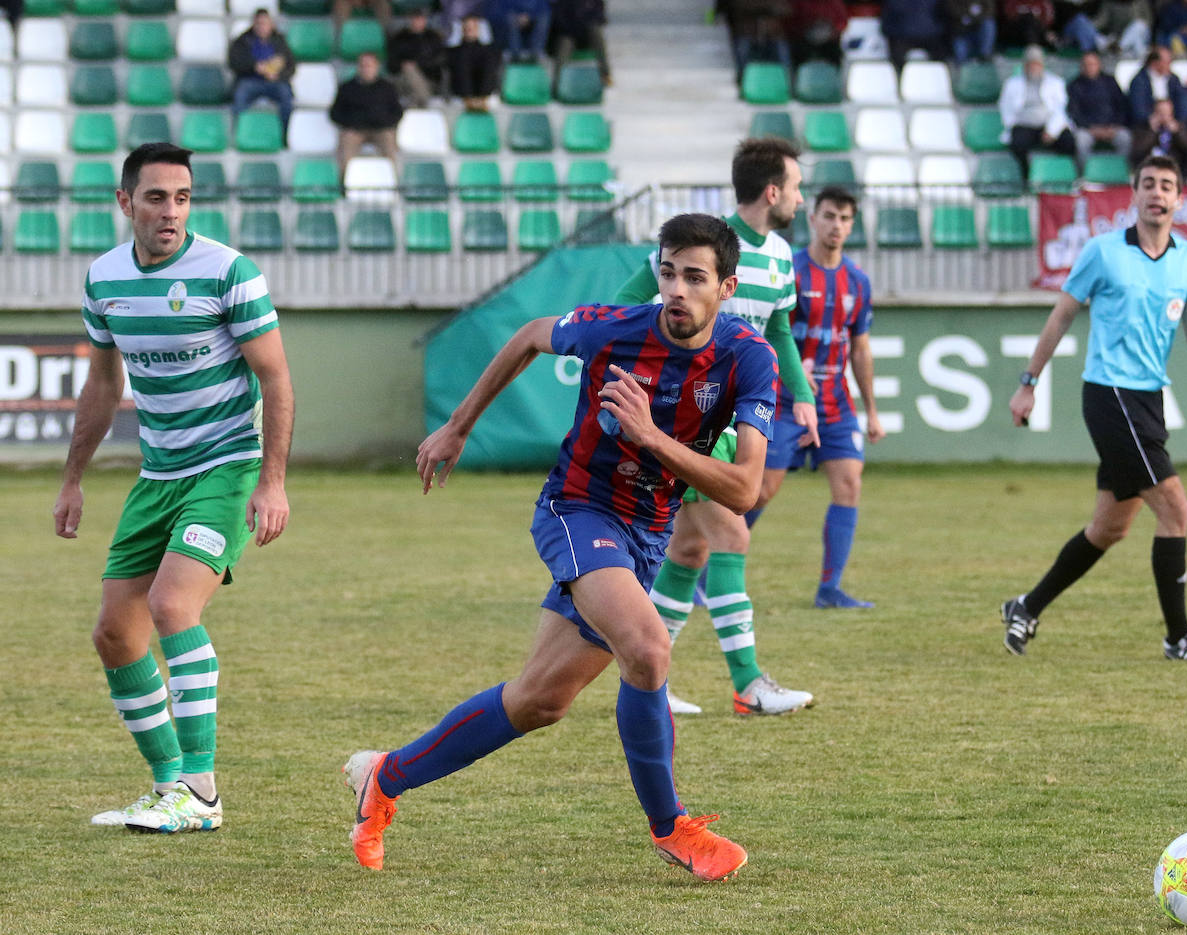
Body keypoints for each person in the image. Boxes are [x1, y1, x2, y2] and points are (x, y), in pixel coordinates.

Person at [344, 213, 777, 882]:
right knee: (648, 645)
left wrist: (650, 435)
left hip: (647, 530)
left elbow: (745, 489)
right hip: (577, 508)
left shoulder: (749, 357)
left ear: (727, 287)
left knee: (540, 700)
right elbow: (527, 335)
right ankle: (672, 826)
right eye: (668, 273)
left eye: (696, 277)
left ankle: (385, 776)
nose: (677, 290)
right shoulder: (614, 328)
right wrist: (458, 426)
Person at [53, 142, 294, 833]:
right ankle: (168, 790)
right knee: (113, 632)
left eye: (183, 197)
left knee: (170, 604)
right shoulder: (103, 279)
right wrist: (73, 478)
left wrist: (271, 482)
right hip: (157, 475)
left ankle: (203, 790)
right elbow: (104, 382)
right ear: (125, 202)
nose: (172, 212)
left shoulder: (228, 273)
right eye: (157, 197)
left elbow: (276, 377)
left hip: (227, 465)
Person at [1000, 155, 1187, 662]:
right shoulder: (1102, 252)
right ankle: (1179, 636)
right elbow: (1060, 318)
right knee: (1176, 508)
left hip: (1148, 399)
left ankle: (1025, 606)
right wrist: (1028, 383)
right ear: (1134, 195)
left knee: (1110, 528)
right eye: (1148, 184)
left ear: (1180, 199)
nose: (1157, 193)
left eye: (1167, 185)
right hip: (1109, 394)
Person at [615, 138, 819, 718]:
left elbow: (778, 332)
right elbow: (624, 306)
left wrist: (799, 396)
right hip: (684, 420)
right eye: (797, 188)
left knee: (690, 547)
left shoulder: (780, 256)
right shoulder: (697, 247)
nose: (800, 200)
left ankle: (645, 677)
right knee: (732, 537)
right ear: (773, 191)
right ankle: (749, 685)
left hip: (728, 422)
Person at [751, 186, 884, 609]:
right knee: (759, 490)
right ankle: (698, 567)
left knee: (849, 484)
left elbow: (860, 349)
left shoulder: (858, 282)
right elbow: (770, 335)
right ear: (813, 218)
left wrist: (873, 411)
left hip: (836, 406)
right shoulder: (789, 271)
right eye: (829, 216)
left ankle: (830, 588)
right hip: (786, 402)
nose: (837, 226)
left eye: (845, 219)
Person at [998, 45, 1075, 179]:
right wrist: (1011, 124)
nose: (1033, 67)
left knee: (1069, 142)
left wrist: (1052, 131)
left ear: (1042, 65)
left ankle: (1061, 176)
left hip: (1049, 124)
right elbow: (1005, 107)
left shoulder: (1055, 82)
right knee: (1017, 144)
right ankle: (1026, 175)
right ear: (1024, 66)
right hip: (1024, 124)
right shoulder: (1012, 83)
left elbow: (1061, 109)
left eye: (1036, 64)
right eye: (1030, 64)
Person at [328, 51, 404, 174]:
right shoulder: (347, 88)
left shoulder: (387, 88)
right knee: (346, 146)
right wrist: (351, 122)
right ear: (358, 67)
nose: (366, 69)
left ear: (376, 67)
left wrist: (384, 121)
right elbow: (335, 113)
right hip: (355, 130)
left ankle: (392, 182)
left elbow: (397, 112)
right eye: (363, 65)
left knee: (389, 144)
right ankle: (346, 183)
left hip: (381, 129)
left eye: (369, 65)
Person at [228, 9, 296, 132]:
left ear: (271, 24)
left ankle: (285, 133)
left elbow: (291, 66)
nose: (261, 27)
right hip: (250, 80)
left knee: (286, 95)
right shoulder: (242, 41)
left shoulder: (280, 41)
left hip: (274, 82)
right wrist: (254, 66)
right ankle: (239, 132)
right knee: (240, 95)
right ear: (253, 24)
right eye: (259, 23)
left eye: (265, 23)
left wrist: (278, 75)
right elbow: (234, 63)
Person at [1067, 49, 1132, 166]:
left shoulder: (1110, 82)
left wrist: (1115, 125)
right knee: (1081, 141)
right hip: (1088, 129)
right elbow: (1074, 112)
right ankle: (1086, 174)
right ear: (1081, 66)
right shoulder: (1074, 85)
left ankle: (1119, 171)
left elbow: (1121, 106)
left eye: (1092, 64)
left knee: (1125, 138)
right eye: (1086, 64)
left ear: (1099, 65)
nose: (1089, 67)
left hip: (1112, 127)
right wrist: (1092, 128)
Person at [386, 10, 447, 108]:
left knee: (412, 78)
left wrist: (418, 64)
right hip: (403, 80)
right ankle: (424, 101)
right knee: (409, 70)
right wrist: (404, 65)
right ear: (409, 19)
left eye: (420, 18)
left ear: (425, 20)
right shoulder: (399, 38)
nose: (417, 21)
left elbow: (440, 60)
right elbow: (391, 64)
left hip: (429, 80)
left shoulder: (433, 37)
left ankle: (414, 105)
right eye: (415, 18)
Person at [447, 13, 502, 110]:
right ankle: (468, 98)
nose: (469, 30)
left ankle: (483, 98)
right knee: (461, 60)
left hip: (483, 91)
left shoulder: (488, 50)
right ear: (462, 29)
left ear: (478, 29)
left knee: (489, 61)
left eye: (472, 27)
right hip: (461, 93)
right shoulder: (454, 51)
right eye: (467, 27)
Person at [551, 0, 612, 86]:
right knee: (564, 44)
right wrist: (571, 29)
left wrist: (586, 24)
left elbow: (599, 17)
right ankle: (558, 83)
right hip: (569, 33)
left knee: (596, 33)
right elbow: (558, 17)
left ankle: (605, 74)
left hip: (587, 34)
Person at [1128, 46, 1187, 129]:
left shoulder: (1174, 79)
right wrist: (1150, 119)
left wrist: (1178, 121)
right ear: (1155, 63)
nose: (1170, 65)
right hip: (1147, 125)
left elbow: (1183, 101)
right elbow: (1137, 106)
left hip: (1172, 122)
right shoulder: (1139, 81)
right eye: (1167, 62)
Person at [1130, 97, 1187, 174]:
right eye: (1160, 112)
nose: (1163, 116)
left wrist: (1177, 133)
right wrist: (1152, 131)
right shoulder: (1143, 128)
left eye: (1166, 113)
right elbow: (1137, 152)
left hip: (1175, 168)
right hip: (1149, 168)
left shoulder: (1180, 128)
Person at [943, 0, 996, 64]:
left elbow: (989, 10)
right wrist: (967, 15)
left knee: (988, 24)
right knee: (961, 57)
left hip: (977, 28)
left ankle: (985, 55)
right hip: (960, 31)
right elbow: (951, 10)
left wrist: (972, 18)